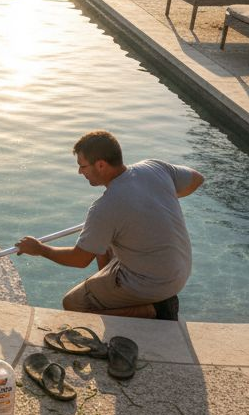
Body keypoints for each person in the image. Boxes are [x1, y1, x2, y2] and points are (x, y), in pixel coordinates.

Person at [16, 130, 203, 320]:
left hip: (155, 284)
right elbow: (197, 178)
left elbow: (79, 260)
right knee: (103, 245)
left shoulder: (104, 208)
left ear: (101, 165)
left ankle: (154, 310)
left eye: (82, 166)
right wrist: (156, 199)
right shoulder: (153, 168)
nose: (80, 172)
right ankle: (117, 294)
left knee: (73, 303)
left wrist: (39, 249)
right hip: (179, 271)